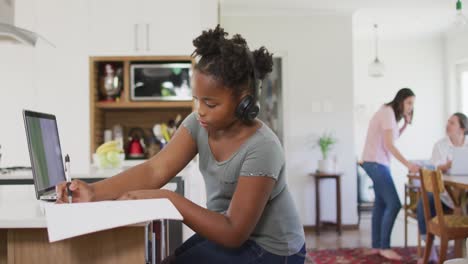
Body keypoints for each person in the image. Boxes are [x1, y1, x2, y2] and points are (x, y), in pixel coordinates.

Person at [56, 25, 306, 264]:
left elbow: (233, 232)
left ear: (244, 102)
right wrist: (94, 192)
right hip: (232, 234)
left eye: (210, 103)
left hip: (273, 249)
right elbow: (156, 169)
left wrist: (168, 200)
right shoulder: (198, 124)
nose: (201, 111)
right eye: (197, 100)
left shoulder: (262, 148)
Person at [361, 88, 420, 261]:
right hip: (376, 163)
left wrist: (405, 125)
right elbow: (389, 145)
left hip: (375, 162)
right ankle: (384, 247)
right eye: (409, 102)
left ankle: (377, 246)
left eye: (413, 104)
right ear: (400, 100)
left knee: (380, 204)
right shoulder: (387, 113)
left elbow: (391, 138)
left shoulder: (389, 114)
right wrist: (408, 164)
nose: (411, 107)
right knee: (394, 204)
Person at [416, 112, 468, 263]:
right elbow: (434, 169)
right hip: (445, 194)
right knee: (423, 204)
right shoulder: (440, 145)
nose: (448, 125)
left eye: (452, 123)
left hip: (464, 193)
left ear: (462, 128)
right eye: (448, 122)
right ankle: (430, 251)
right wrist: (447, 165)